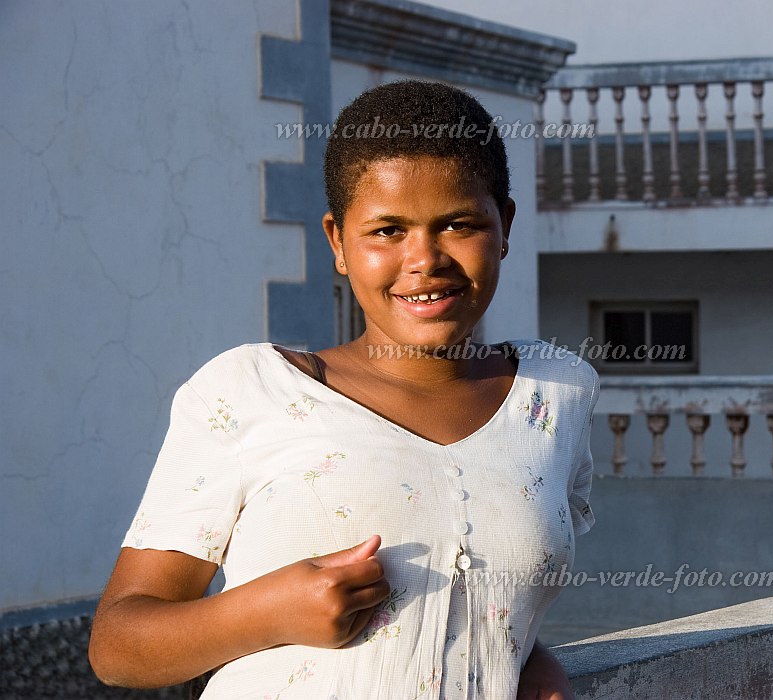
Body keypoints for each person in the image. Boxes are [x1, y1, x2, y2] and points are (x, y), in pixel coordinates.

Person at [88, 80, 599, 700]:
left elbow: (492, 588)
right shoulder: (250, 394)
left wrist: (530, 660)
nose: (425, 259)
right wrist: (268, 609)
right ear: (338, 241)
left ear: (505, 225)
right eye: (387, 231)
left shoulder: (554, 397)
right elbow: (117, 647)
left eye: (459, 224)